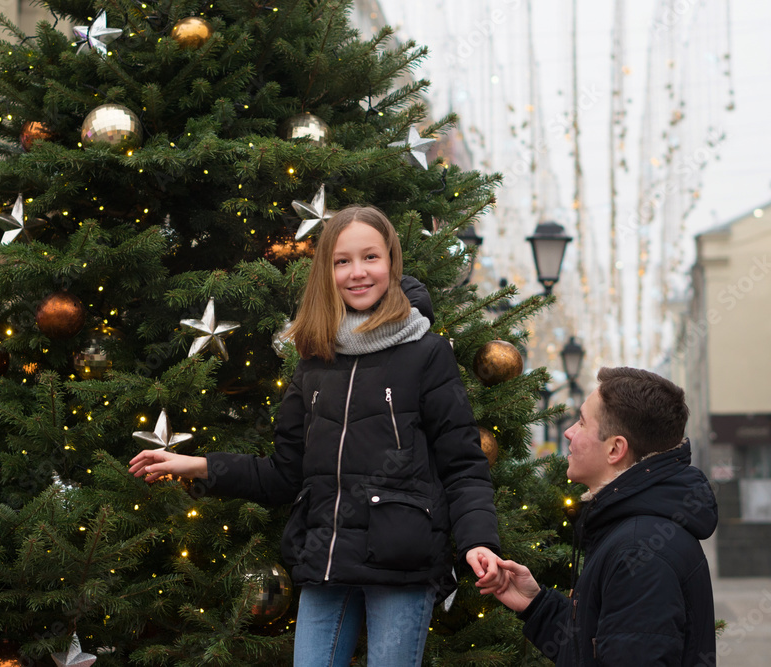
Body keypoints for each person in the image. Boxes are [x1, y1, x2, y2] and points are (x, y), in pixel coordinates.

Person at [130, 205, 501, 666]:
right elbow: (285, 473)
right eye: (342, 261)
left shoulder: (426, 354)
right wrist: (200, 466)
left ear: (392, 263)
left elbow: (463, 465)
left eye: (371, 257)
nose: (357, 272)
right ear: (327, 271)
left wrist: (478, 541)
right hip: (325, 561)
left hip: (403, 565)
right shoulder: (314, 361)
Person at [477, 367, 718, 666]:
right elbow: (599, 644)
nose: (568, 431)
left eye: (581, 422)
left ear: (615, 448)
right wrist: (536, 603)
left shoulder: (639, 551)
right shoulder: (635, 530)